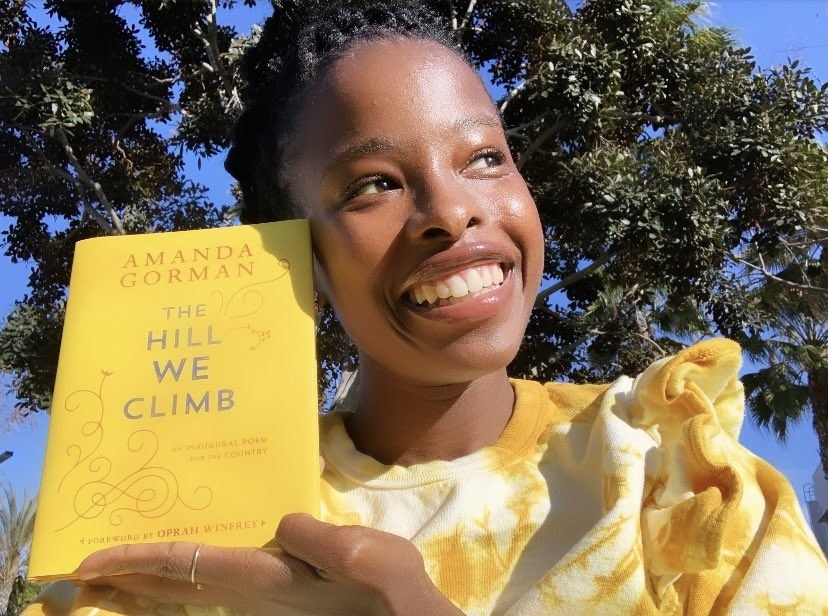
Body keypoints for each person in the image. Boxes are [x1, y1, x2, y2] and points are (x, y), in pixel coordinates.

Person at [24, 1, 828, 615]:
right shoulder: (201, 522)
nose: (452, 210)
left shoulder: (674, 472)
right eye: (372, 182)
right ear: (294, 254)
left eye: (485, 157)